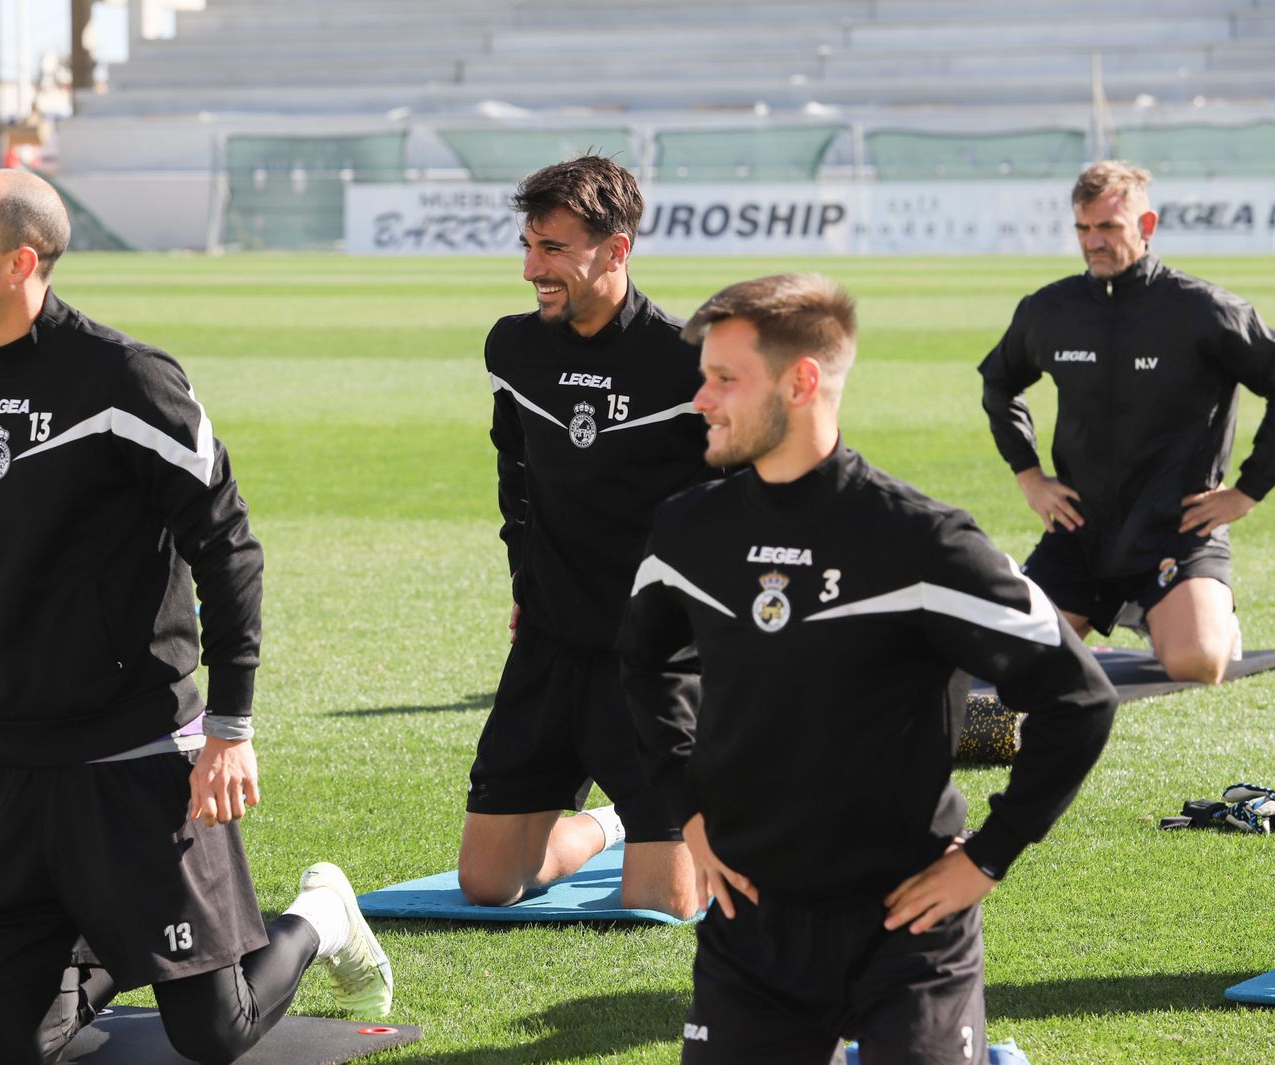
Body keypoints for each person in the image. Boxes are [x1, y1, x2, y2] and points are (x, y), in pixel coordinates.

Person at [0, 169, 391, 1065]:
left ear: (21, 260)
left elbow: (229, 547)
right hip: (17, 760)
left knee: (213, 1035)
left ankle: (323, 912)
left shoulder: (128, 379)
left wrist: (231, 724)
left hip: (135, 751)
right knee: (22, 1048)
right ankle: (118, 922)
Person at [619, 274, 1117, 1063]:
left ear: (802, 380)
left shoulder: (923, 540)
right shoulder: (688, 530)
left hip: (908, 929)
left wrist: (990, 855)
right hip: (752, 928)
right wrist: (687, 810)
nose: (700, 400)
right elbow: (646, 667)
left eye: (724, 379)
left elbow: (1078, 698)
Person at [458, 155, 711, 919]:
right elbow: (518, 477)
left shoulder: (686, 360)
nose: (534, 267)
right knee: (487, 884)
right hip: (551, 640)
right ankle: (607, 824)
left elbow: (740, 502)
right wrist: (524, 583)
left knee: (661, 905)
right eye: (529, 245)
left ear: (617, 249)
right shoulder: (513, 348)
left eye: (555, 249)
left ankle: (698, 816)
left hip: (653, 655)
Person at [980, 160, 1275, 684]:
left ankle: (1198, 614)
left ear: (1147, 226)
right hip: (1080, 531)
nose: (1093, 241)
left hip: (1177, 532)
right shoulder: (1050, 310)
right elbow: (1000, 384)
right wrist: (1029, 477)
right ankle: (1142, 608)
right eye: (1083, 228)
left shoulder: (1205, 310)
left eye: (1109, 227)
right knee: (1002, 664)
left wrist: (1248, 491)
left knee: (1197, 662)